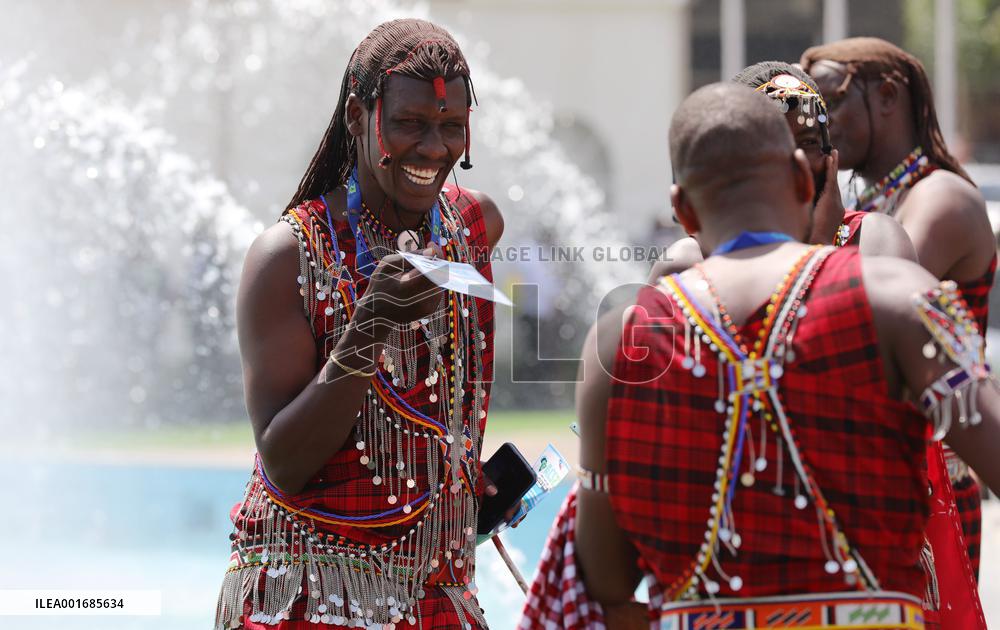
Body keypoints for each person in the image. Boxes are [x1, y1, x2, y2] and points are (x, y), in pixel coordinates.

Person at [522, 84, 998, 630]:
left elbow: (606, 578)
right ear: (803, 178)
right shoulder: (896, 296)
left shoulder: (620, 339)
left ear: (681, 209)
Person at [215, 19, 504, 630]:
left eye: (451, 126)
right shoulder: (288, 257)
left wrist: (454, 471)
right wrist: (370, 325)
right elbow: (284, 461)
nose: (434, 148)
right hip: (308, 595)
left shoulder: (474, 229)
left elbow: (435, 406)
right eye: (409, 123)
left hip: (436, 594)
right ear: (356, 116)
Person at [801, 37, 994, 581]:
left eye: (829, 102)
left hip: (934, 485)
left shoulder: (939, 198)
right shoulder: (878, 199)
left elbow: (856, 311)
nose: (819, 122)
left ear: (886, 96)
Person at [649, 61, 915, 282]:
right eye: (770, 146)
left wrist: (821, 242)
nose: (794, 160)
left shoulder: (873, 240)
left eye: (808, 142)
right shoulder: (688, 265)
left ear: (830, 157)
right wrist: (819, 247)